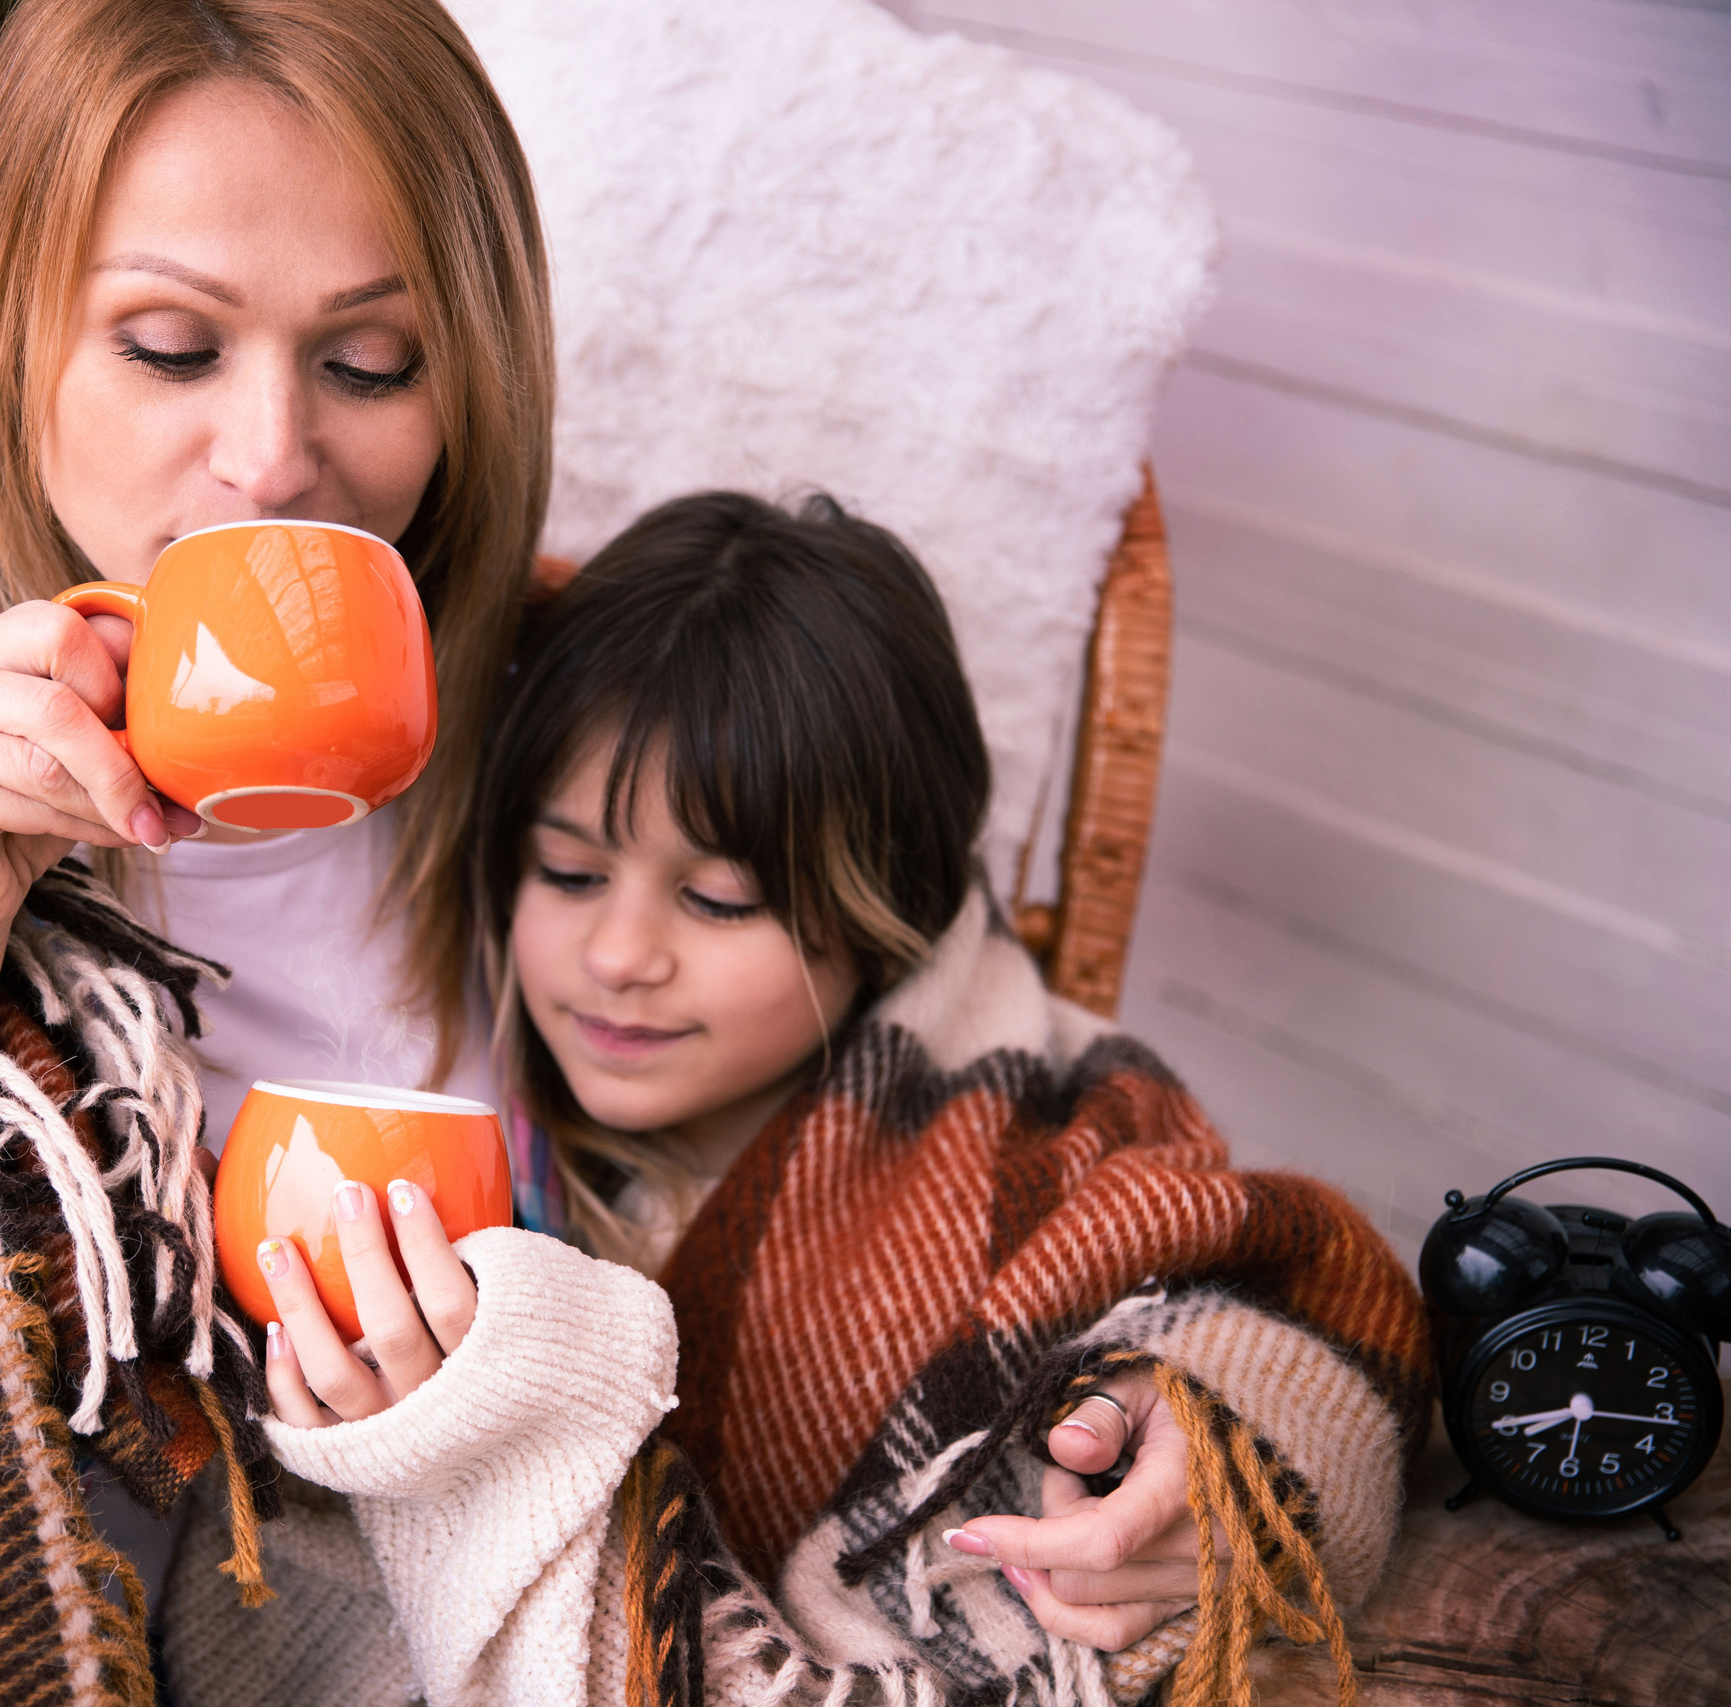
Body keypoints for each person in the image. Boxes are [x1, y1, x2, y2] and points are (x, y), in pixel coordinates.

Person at [0, 3, 1349, 1701]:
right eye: (166, 343)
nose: (273, 456)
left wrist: (1192, 1424)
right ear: (3, 338)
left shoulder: (571, 710)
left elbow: (1025, 1095)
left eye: (370, 362)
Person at [167, 492, 1428, 1706]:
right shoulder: (461, 1129)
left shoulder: (1029, 1133)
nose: (619, 957)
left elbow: (1261, 1283)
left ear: (887, 907)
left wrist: (1221, 1441)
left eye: (719, 901)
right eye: (566, 871)